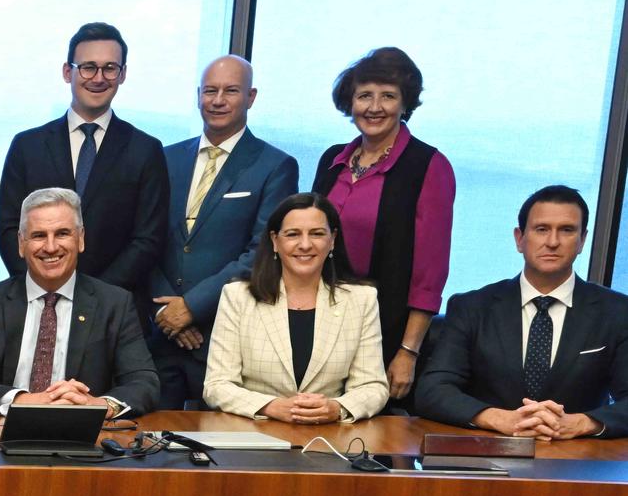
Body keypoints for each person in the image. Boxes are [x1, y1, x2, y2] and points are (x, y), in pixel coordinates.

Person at [146, 56, 298, 409]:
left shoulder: (274, 166)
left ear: (251, 96)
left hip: (225, 335)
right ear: (198, 94)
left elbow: (261, 250)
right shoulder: (165, 158)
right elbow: (145, 238)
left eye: (231, 91)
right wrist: (167, 312)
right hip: (159, 334)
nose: (218, 100)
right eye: (210, 90)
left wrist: (193, 306)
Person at [415, 186, 625, 438]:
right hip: (487, 452)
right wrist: (497, 418)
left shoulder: (616, 311)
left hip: (578, 458)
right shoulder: (472, 307)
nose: (553, 242)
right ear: (519, 238)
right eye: (541, 229)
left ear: (582, 240)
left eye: (567, 230)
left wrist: (580, 423)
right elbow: (432, 390)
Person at [311, 46, 455, 406]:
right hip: (321, 324)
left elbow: (430, 273)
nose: (374, 107)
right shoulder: (333, 160)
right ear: (350, 103)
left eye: (388, 96)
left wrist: (408, 351)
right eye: (364, 96)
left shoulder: (428, 165)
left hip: (384, 332)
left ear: (405, 103)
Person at [0, 187, 157, 418]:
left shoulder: (115, 304)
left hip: (84, 438)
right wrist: (22, 400)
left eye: (62, 233)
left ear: (81, 239)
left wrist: (100, 405)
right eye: (38, 236)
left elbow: (144, 382)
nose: (51, 247)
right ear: (21, 243)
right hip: (3, 433)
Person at [0, 22, 166, 299]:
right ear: (67, 72)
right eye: (88, 67)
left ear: (122, 75)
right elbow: (9, 228)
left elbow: (148, 240)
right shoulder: (27, 146)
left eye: (110, 68)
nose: (98, 78)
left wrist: (91, 297)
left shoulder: (146, 150)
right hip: (37, 301)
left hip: (114, 308)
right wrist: (44, 287)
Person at [202, 194, 388, 423]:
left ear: (333, 240)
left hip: (330, 439)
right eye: (293, 234)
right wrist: (270, 406)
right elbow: (217, 385)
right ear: (275, 240)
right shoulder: (238, 296)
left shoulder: (362, 299)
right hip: (254, 436)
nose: (305, 245)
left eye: (317, 234)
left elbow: (373, 386)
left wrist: (337, 408)